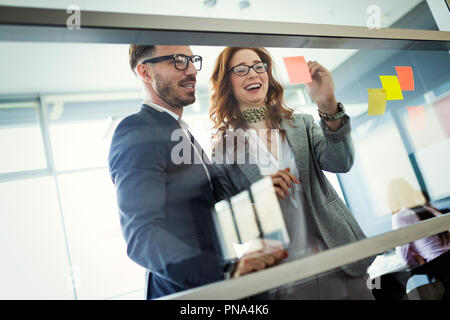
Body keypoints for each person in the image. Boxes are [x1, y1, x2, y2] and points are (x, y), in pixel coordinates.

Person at [108, 45, 288, 300]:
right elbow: (142, 236)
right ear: (145, 72)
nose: (192, 70)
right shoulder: (137, 129)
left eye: (192, 61)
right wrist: (226, 272)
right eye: (179, 61)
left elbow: (206, 218)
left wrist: (256, 197)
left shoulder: (181, 134)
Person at [209, 47, 375, 299]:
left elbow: (341, 161)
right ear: (227, 84)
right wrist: (258, 196)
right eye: (241, 69)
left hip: (338, 257)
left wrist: (328, 105)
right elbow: (231, 227)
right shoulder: (224, 150)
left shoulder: (302, 124)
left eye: (258, 66)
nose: (253, 74)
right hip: (286, 278)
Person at [388, 178, 450, 266]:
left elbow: (405, 259)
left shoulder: (399, 217)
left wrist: (417, 257)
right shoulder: (428, 209)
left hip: (440, 264)